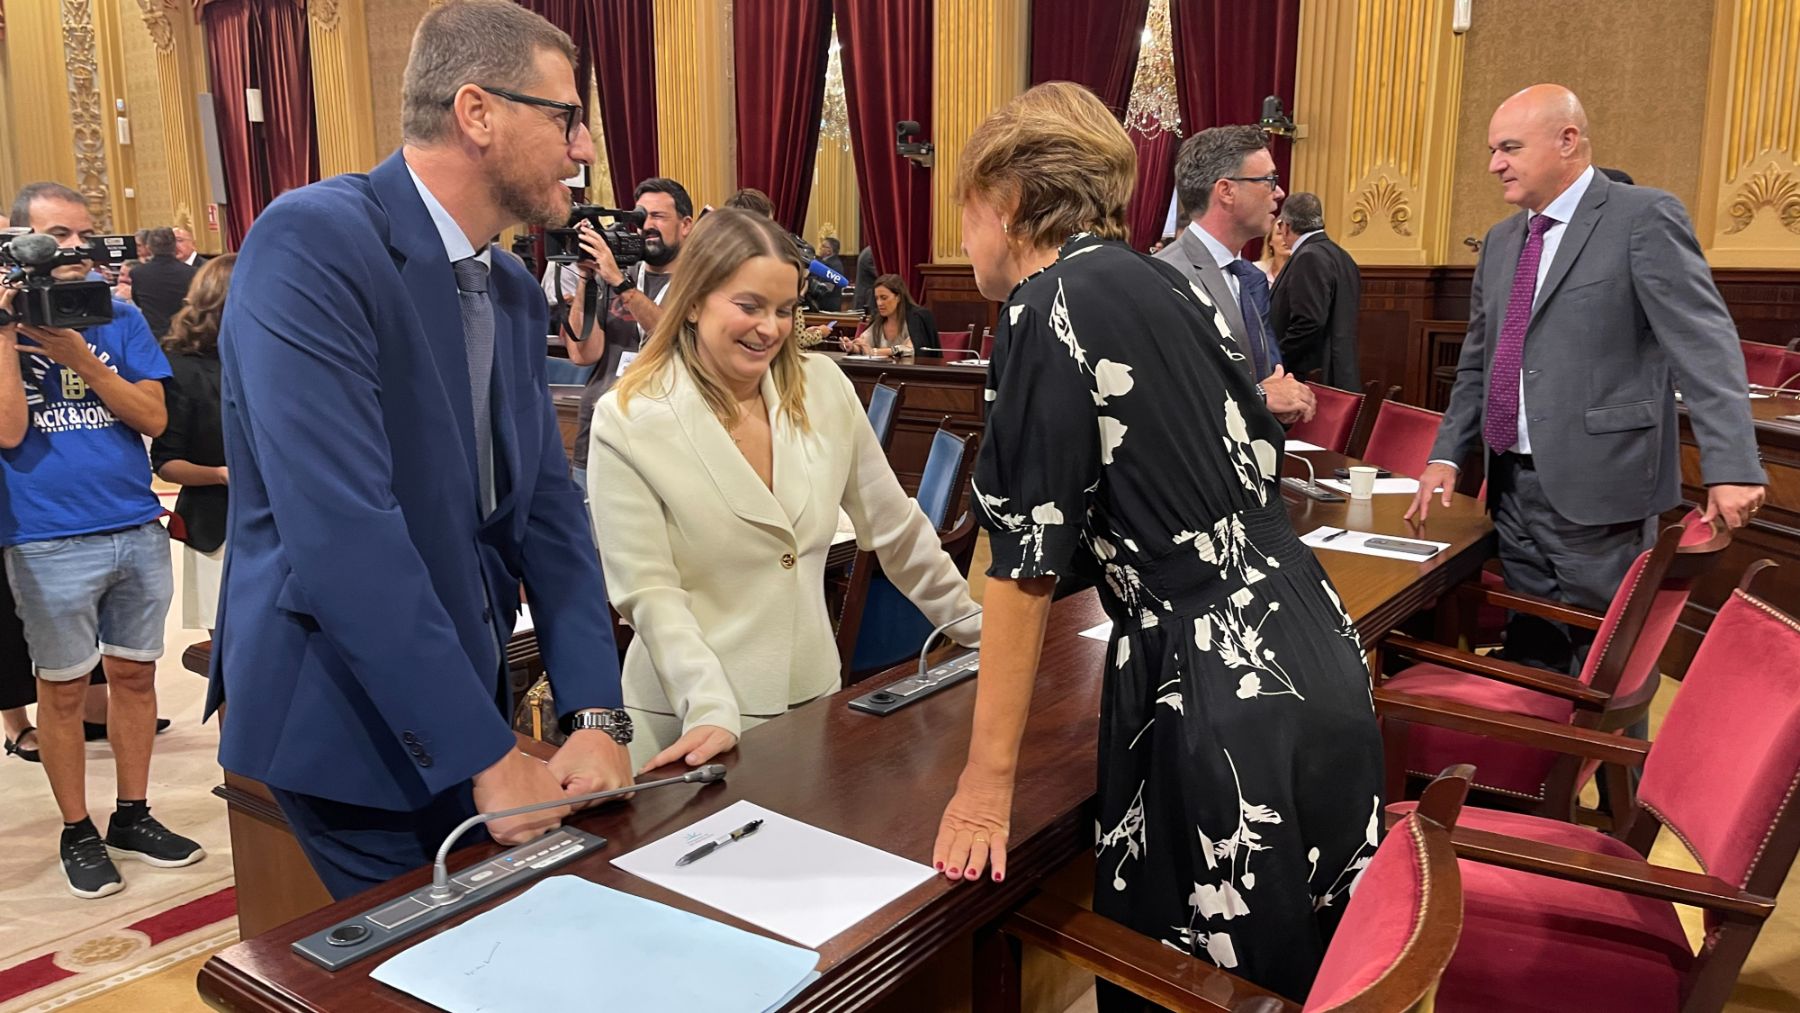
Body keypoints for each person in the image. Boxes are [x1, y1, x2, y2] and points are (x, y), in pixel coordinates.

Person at [931, 83, 1382, 1004]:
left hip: (1214, 683)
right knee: (1304, 954)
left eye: (966, 211)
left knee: (1198, 983)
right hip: (1307, 636)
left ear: (1007, 203)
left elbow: (1023, 565)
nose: (965, 238)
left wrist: (985, 787)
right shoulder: (1165, 280)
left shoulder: (1043, 305)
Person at [210, 0, 635, 900]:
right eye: (566, 116)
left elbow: (550, 516)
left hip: (459, 700)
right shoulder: (314, 239)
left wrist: (595, 711)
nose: (585, 146)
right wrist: (483, 749)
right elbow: (343, 530)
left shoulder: (512, 289)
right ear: (477, 113)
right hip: (343, 722)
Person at [588, 209, 980, 771]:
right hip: (688, 723)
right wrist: (708, 702)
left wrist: (974, 626)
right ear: (694, 301)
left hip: (812, 702)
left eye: (784, 310)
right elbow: (648, 592)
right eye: (748, 306)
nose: (769, 328)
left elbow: (897, 529)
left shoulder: (824, 388)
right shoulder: (628, 418)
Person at [1406, 84, 1765, 676]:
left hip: (1602, 485)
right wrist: (1445, 455)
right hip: (1509, 482)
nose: (1494, 164)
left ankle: (1606, 764)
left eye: (1510, 148)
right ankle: (1535, 763)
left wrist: (1732, 465)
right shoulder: (1501, 241)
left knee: (1607, 662)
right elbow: (1479, 362)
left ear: (1567, 141)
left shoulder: (1642, 216)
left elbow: (1705, 345)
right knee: (1536, 648)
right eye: (1494, 149)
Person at [0, 181, 201, 899]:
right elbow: (10, 431)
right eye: (56, 237)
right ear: (19, 243)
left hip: (133, 521)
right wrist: (4, 327)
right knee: (60, 691)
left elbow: (151, 416)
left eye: (84, 237)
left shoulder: (118, 318)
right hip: (47, 535)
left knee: (136, 676)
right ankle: (75, 826)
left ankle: (134, 812)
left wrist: (82, 356)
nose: (74, 251)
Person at [1156, 127, 1315, 425]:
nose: (1279, 193)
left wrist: (1284, 397)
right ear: (1226, 191)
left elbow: (1265, 372)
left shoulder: (1249, 277)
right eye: (1268, 181)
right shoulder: (1167, 275)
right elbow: (1167, 390)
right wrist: (1262, 397)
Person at [558, 176, 694, 491]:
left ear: (685, 225)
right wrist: (586, 278)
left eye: (658, 216)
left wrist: (621, 284)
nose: (647, 225)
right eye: (641, 216)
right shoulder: (615, 274)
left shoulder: (699, 281)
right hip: (597, 437)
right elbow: (583, 354)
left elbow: (676, 338)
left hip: (660, 446)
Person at [152, 254, 235, 632]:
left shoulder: (282, 359)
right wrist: (221, 474)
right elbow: (168, 463)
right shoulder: (180, 368)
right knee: (229, 653)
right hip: (215, 525)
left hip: (290, 522)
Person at [1269, 193, 1361, 388]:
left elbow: (1309, 321)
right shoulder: (1343, 257)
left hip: (1312, 379)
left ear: (1285, 226)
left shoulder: (1309, 256)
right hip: (1339, 373)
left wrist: (1276, 359)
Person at [125, 227, 198, 339]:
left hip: (152, 335)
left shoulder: (138, 273)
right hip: (183, 334)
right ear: (174, 246)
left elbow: (137, 301)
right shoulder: (192, 272)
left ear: (149, 247)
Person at [841, 274, 935, 357]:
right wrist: (853, 347)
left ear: (898, 297)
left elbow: (911, 349)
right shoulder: (878, 319)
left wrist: (875, 352)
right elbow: (865, 345)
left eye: (884, 298)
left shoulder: (916, 317)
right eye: (877, 298)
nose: (879, 303)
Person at [853, 244, 878, 317]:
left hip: (866, 296)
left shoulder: (869, 251)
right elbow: (882, 275)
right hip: (867, 299)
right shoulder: (870, 254)